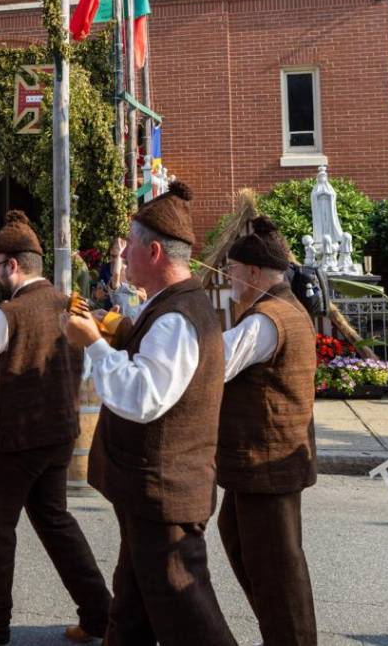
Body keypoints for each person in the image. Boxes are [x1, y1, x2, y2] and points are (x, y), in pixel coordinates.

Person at [62, 181, 237, 646]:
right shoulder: (172, 307)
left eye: (130, 247)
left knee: (189, 614)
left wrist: (95, 344)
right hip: (151, 491)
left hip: (164, 493)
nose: (123, 257)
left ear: (155, 251)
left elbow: (142, 397)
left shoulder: (178, 317)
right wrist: (116, 330)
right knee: (133, 609)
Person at [0, 210, 112, 645]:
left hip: (12, 438)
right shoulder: (72, 305)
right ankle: (99, 614)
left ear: (12, 266)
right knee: (55, 521)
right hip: (59, 433)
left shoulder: (5, 317)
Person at [217, 217, 319, 646]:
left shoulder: (266, 319)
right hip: (260, 462)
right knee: (243, 542)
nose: (229, 278)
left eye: (234, 270)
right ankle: (279, 633)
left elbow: (212, 366)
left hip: (267, 462)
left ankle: (290, 640)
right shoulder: (281, 308)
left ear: (254, 272)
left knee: (277, 567)